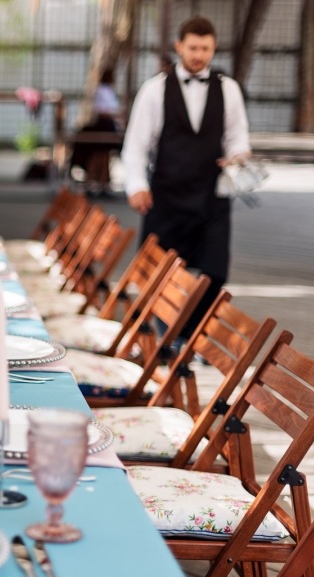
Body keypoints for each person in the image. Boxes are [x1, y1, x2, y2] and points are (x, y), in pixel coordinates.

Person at [121, 15, 250, 339]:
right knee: (160, 274)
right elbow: (135, 145)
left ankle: (188, 336)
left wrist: (237, 155)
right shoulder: (154, 89)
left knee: (215, 271)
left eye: (205, 48)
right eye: (193, 47)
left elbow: (237, 136)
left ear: (213, 48)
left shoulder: (229, 88)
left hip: (212, 195)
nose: (199, 55)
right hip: (166, 194)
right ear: (179, 46)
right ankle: (172, 336)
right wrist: (136, 186)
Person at [70, 68, 122, 197]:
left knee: (105, 157)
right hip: (103, 125)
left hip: (109, 125)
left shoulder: (110, 91)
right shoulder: (101, 91)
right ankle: (92, 183)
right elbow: (102, 110)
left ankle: (103, 183)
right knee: (97, 157)